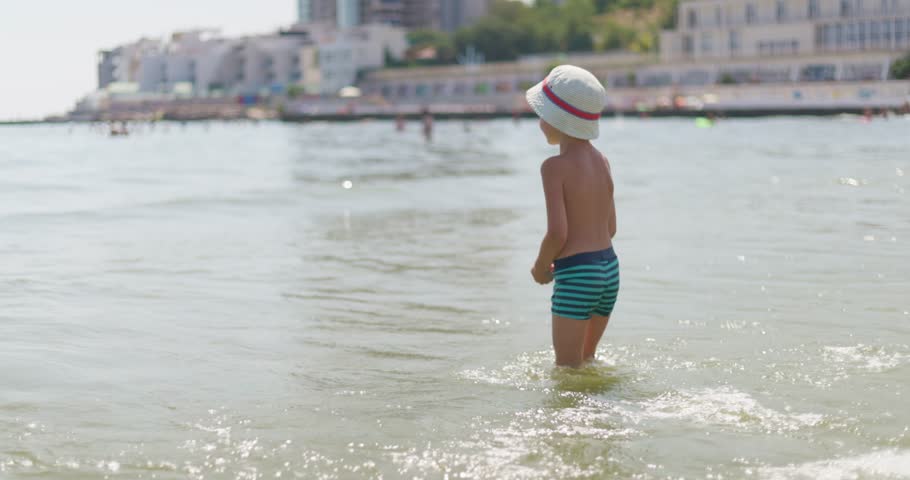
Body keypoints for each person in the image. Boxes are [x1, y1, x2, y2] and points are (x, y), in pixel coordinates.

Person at [525, 65, 618, 369]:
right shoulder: (602, 161)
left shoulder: (554, 168)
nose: (540, 122)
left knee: (567, 372)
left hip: (578, 274)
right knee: (588, 363)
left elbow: (557, 234)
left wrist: (541, 267)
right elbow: (611, 227)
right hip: (609, 269)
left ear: (555, 120)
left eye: (542, 114)